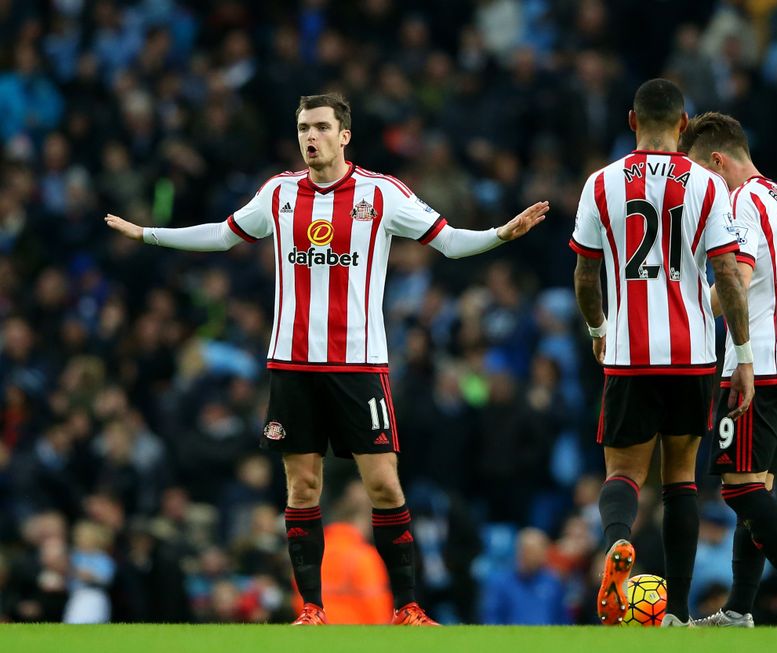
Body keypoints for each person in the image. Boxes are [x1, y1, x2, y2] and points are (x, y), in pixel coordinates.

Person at [105, 92, 549, 626]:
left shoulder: (381, 194)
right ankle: (312, 607)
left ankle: (407, 607)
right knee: (302, 487)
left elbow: (450, 243)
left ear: (344, 136)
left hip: (360, 366)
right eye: (302, 128)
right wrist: (148, 233)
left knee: (384, 484)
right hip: (292, 364)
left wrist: (501, 234)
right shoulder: (278, 193)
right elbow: (223, 236)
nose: (309, 137)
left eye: (319, 127)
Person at [570, 79, 754, 627]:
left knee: (623, 473)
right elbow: (726, 271)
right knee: (681, 481)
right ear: (682, 123)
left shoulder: (600, 185)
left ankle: (619, 544)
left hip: (629, 350)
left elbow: (584, 274)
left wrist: (597, 328)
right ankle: (674, 610)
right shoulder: (705, 183)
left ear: (631, 121)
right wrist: (741, 353)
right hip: (692, 352)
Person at [678, 111, 777, 627]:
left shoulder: (740, 202)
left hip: (758, 366)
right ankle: (739, 609)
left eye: (703, 174)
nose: (703, 188)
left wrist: (692, 311)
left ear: (719, 162)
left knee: (739, 489)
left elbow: (737, 279)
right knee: (758, 491)